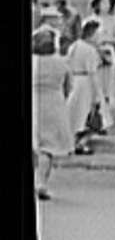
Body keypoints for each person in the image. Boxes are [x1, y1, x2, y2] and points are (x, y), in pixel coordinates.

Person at [33, 28, 74, 199]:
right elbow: (69, 87)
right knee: (47, 148)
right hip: (53, 105)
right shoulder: (61, 62)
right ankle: (41, 182)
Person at [87, 0, 115, 134]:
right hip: (94, 52)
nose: (106, 5)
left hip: (108, 52)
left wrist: (106, 40)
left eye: (108, 3)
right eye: (103, 2)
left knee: (106, 88)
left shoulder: (113, 20)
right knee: (94, 85)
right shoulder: (91, 19)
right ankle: (93, 118)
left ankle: (105, 119)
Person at [65, 19, 103, 154]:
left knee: (75, 114)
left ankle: (72, 141)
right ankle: (81, 143)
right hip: (86, 82)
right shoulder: (90, 50)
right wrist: (96, 96)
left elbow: (67, 66)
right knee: (89, 115)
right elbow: (93, 73)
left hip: (75, 80)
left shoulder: (74, 46)